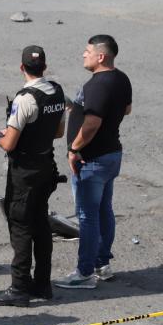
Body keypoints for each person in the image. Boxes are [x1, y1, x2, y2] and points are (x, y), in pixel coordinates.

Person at [0, 45, 66, 307]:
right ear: (44, 66)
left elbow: (9, 144)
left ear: (22, 67)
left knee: (20, 226)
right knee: (41, 224)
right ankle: (42, 283)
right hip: (46, 167)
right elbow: (58, 133)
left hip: (25, 173)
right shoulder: (56, 91)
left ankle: (19, 288)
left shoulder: (24, 99)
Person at [55, 35, 132, 290]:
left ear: (101, 56)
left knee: (87, 216)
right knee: (104, 210)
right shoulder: (121, 78)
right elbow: (126, 108)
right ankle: (102, 264)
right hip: (111, 155)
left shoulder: (98, 85)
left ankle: (85, 272)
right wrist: (76, 107)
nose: (83, 54)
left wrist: (74, 149)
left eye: (87, 51)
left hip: (92, 160)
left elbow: (92, 123)